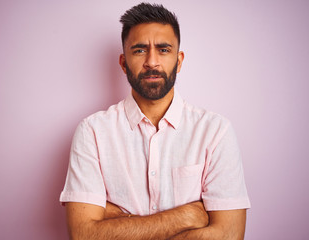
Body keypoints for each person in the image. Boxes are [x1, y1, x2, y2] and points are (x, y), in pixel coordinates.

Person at [60, 3, 250, 240]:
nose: (152, 61)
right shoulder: (92, 132)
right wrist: (186, 217)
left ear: (179, 61)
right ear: (123, 62)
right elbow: (83, 235)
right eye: (139, 50)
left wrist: (118, 224)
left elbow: (229, 235)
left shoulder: (215, 132)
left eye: (163, 49)